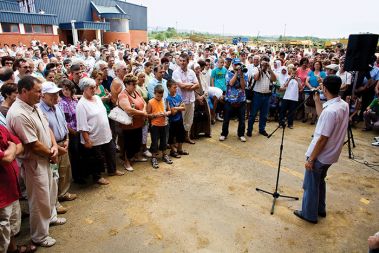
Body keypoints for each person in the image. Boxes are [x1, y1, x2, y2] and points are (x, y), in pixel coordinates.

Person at [6, 76, 64, 247]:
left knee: (51, 191)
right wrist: (51, 153)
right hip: (34, 162)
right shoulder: (18, 113)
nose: (41, 94)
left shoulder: (34, 106)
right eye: (38, 91)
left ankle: (51, 218)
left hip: (46, 156)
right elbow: (32, 144)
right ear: (24, 91)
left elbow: (47, 128)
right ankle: (40, 236)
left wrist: (53, 146)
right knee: (39, 199)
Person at [294, 75, 349, 224]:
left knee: (310, 185)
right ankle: (320, 208)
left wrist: (311, 159)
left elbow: (323, 139)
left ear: (325, 88)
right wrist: (317, 101)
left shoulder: (331, 111)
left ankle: (309, 214)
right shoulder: (342, 104)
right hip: (331, 155)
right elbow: (322, 115)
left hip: (321, 155)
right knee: (320, 181)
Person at [76, 77, 125, 185]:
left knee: (111, 151)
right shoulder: (81, 105)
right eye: (91, 88)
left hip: (105, 133)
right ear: (84, 89)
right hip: (93, 136)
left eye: (95, 87)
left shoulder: (97, 98)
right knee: (97, 158)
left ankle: (112, 170)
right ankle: (97, 177)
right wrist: (87, 140)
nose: (94, 89)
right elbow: (82, 125)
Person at [39, 82, 77, 215]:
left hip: (63, 143)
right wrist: (56, 146)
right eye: (52, 94)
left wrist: (66, 139)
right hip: (51, 147)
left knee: (65, 170)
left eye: (56, 93)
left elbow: (63, 123)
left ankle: (63, 193)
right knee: (53, 176)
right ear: (43, 95)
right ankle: (55, 203)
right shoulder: (40, 109)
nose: (56, 96)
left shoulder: (57, 106)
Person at [0, 125, 37, 253]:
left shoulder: (1, 128)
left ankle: (13, 249)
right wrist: (11, 148)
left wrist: (11, 150)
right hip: (1, 194)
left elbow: (20, 144)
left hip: (11, 188)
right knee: (2, 229)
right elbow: (6, 159)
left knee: (11, 224)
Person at [118, 74, 148, 171]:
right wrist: (142, 112)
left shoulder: (136, 92)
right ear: (126, 84)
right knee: (128, 144)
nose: (135, 86)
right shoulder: (123, 95)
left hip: (138, 123)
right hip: (129, 125)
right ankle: (126, 162)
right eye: (133, 84)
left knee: (137, 142)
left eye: (135, 84)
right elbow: (128, 109)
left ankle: (136, 156)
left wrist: (143, 110)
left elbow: (144, 103)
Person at [58, 79, 84, 184]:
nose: (66, 92)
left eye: (68, 89)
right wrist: (72, 131)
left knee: (80, 153)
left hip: (79, 129)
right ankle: (77, 177)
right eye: (64, 90)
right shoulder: (63, 103)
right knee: (75, 155)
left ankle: (81, 174)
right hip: (72, 132)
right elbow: (64, 121)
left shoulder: (74, 100)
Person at [172, 53, 199, 144]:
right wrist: (192, 85)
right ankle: (177, 140)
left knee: (189, 120)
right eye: (181, 61)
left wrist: (188, 86)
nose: (182, 62)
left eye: (184, 61)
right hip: (181, 101)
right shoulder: (176, 72)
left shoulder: (191, 72)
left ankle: (186, 137)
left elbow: (198, 85)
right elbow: (181, 86)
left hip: (191, 100)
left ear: (188, 62)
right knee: (179, 121)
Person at [247, 56, 277, 137]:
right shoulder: (256, 69)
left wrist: (270, 69)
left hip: (267, 96)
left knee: (264, 115)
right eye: (264, 61)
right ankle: (249, 130)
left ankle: (262, 129)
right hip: (257, 95)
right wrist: (262, 69)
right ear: (260, 61)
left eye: (267, 61)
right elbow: (256, 78)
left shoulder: (270, 70)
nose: (265, 62)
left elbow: (274, 79)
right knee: (253, 114)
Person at [219, 58, 248, 142]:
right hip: (230, 100)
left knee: (242, 120)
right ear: (233, 65)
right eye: (235, 64)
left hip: (241, 100)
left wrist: (241, 75)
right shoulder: (229, 73)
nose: (237, 66)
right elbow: (231, 83)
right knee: (226, 119)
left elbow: (243, 86)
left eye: (239, 64)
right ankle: (224, 134)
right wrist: (236, 73)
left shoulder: (244, 73)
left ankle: (241, 134)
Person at [147, 85, 172, 169]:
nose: (159, 98)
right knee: (154, 142)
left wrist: (166, 113)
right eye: (158, 96)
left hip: (164, 124)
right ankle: (154, 157)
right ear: (154, 93)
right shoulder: (150, 102)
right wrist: (155, 115)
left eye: (161, 96)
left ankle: (164, 155)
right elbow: (147, 114)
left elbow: (169, 111)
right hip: (155, 125)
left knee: (164, 141)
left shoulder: (164, 100)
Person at [166, 80, 188, 158]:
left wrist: (175, 107)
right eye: (174, 87)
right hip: (172, 121)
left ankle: (180, 149)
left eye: (176, 87)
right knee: (171, 137)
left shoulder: (178, 96)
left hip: (179, 119)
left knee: (181, 135)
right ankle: (173, 151)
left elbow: (184, 108)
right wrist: (179, 107)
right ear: (169, 88)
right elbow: (173, 112)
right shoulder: (168, 98)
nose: (176, 89)